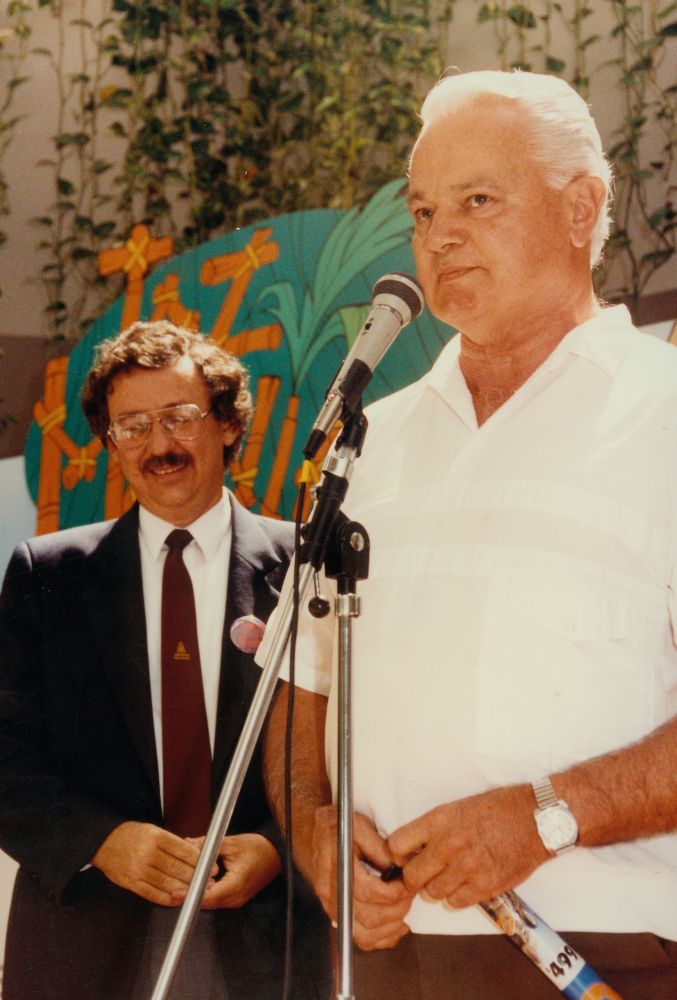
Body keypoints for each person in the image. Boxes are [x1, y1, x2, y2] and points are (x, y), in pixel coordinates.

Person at [261, 70, 677, 999]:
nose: (438, 234)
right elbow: (301, 689)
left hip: (610, 955)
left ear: (581, 210)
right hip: (385, 960)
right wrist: (317, 830)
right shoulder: (366, 438)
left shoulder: (667, 413)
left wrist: (547, 819)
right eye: (422, 209)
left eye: (478, 200)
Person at [0, 321, 331, 1000]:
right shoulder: (46, 575)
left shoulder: (310, 568)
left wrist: (278, 847)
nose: (159, 445)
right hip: (87, 932)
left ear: (228, 425)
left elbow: (350, 744)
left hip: (265, 938)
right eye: (133, 426)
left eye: (179, 418)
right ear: (109, 444)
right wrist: (102, 841)